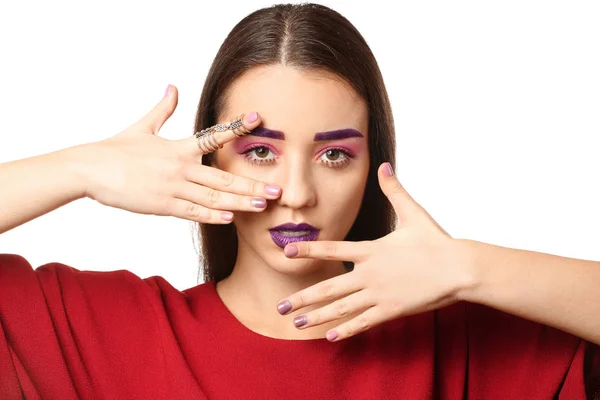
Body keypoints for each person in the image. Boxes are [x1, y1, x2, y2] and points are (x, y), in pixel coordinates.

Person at [0, 3, 598, 399]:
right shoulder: (103, 330)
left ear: (373, 165)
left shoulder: (462, 341)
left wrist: (471, 267)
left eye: (334, 155)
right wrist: (78, 168)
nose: (298, 194)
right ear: (211, 156)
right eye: (261, 151)